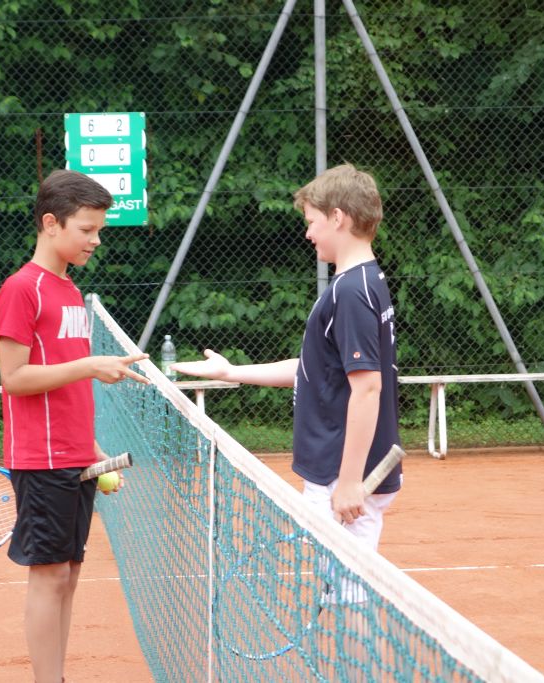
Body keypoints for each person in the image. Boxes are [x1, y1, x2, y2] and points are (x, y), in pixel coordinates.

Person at [172, 162, 402, 553]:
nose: (308, 233)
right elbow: (317, 371)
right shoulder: (362, 281)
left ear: (337, 218)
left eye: (312, 221)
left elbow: (367, 388)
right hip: (338, 467)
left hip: (340, 472)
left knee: (350, 601)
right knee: (342, 595)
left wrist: (348, 481)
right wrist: (230, 371)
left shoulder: (351, 292)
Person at [0, 169, 148, 683]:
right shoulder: (22, 289)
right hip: (40, 458)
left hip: (74, 455)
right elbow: (14, 379)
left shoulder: (67, 290)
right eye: (87, 229)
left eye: (98, 229)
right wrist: (91, 365)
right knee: (50, 575)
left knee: (71, 573)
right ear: (51, 223)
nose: (95, 240)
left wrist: (93, 447)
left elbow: (69, 387)